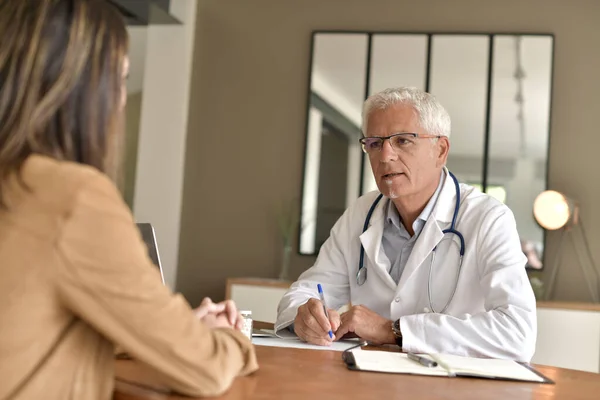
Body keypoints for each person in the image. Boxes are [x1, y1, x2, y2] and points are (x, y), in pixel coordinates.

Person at [0, 1, 257, 399]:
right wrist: (231, 339)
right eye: (120, 79)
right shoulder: (72, 197)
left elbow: (25, 324)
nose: (121, 100)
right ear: (83, 88)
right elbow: (205, 371)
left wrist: (165, 328)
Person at [276, 87, 537, 362]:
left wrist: (394, 331)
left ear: (441, 150)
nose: (385, 156)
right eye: (375, 143)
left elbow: (518, 333)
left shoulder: (488, 218)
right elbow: (307, 291)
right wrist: (304, 315)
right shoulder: (360, 214)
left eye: (402, 141)